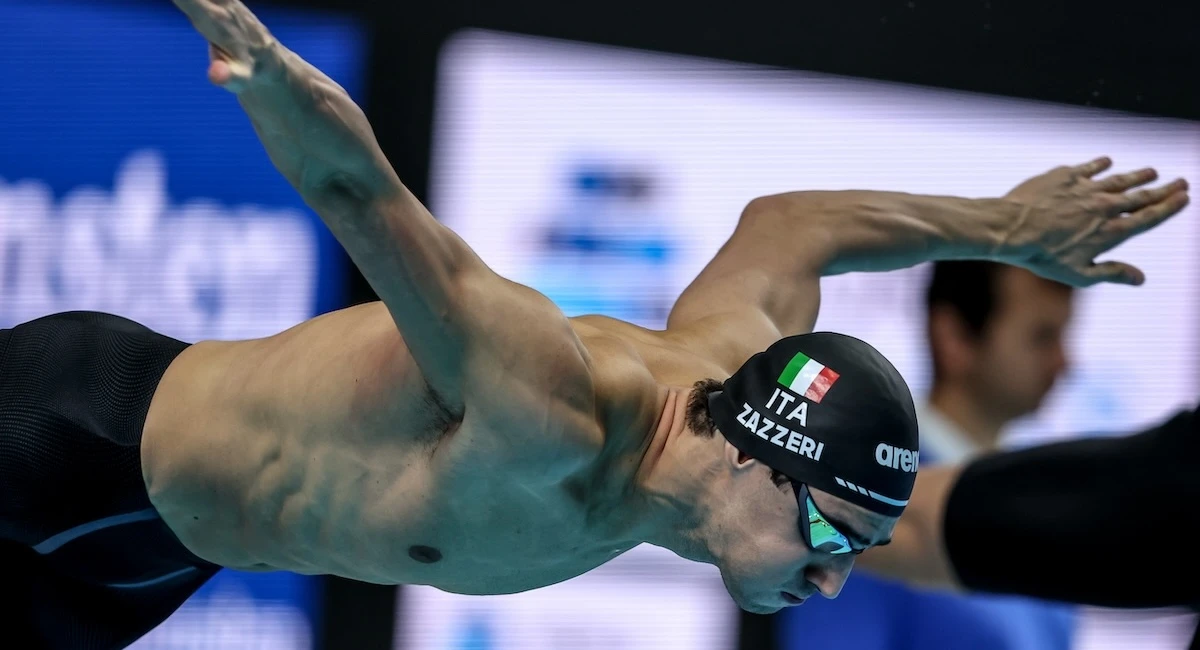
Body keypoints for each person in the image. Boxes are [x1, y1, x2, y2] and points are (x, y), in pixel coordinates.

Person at [0, 1, 1192, 648]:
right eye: (830, 534)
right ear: (757, 459)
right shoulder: (549, 402)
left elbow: (795, 226)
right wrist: (267, 72)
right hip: (70, 439)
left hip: (154, 564)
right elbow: (367, 199)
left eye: (857, 548)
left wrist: (1002, 227)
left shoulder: (730, 378)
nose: (833, 580)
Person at [781, 261, 1079, 650]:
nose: (1064, 362)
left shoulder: (1037, 505)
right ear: (954, 337)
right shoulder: (862, 499)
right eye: (1042, 337)